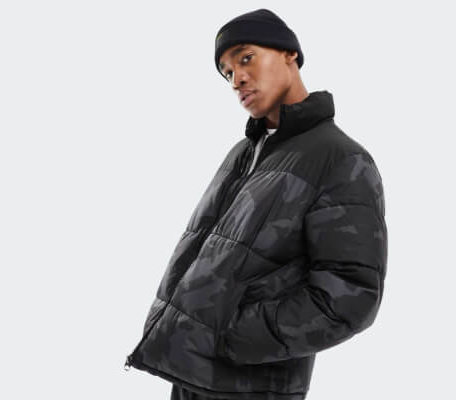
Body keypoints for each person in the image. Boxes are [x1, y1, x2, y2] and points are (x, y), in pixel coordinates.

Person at [125, 8, 387, 400]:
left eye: (246, 58)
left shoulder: (339, 157)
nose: (237, 79)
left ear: (290, 54)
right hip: (193, 378)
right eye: (227, 72)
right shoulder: (242, 153)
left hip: (251, 386)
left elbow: (350, 297)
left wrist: (230, 336)